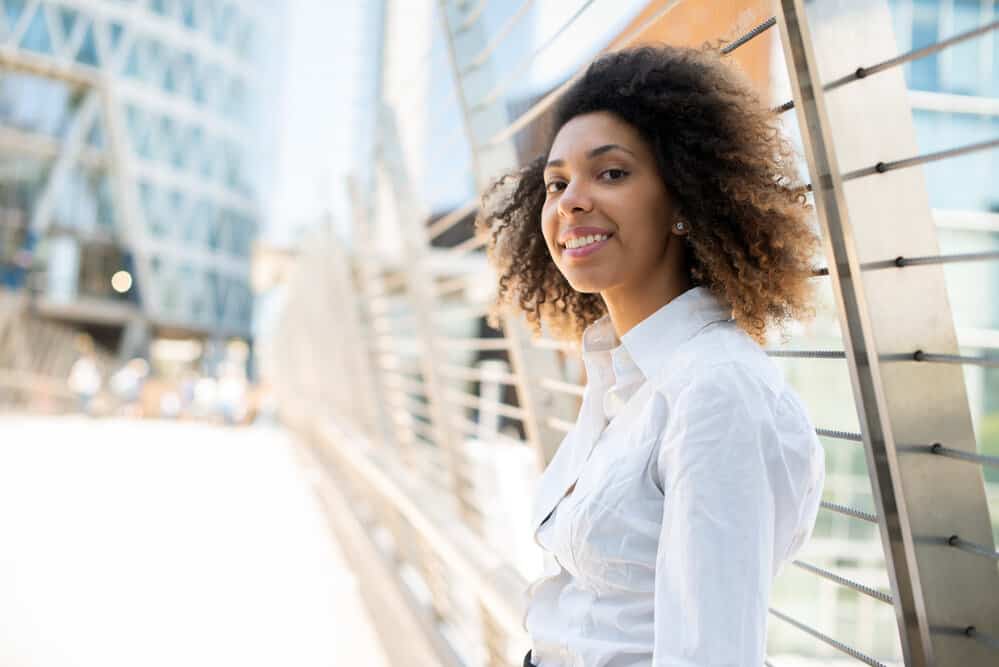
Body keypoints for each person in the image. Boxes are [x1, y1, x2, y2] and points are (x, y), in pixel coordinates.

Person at [477, 45, 826, 667]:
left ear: (686, 199)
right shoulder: (622, 375)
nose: (570, 202)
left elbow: (713, 655)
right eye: (557, 183)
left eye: (611, 173)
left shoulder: (717, 390)